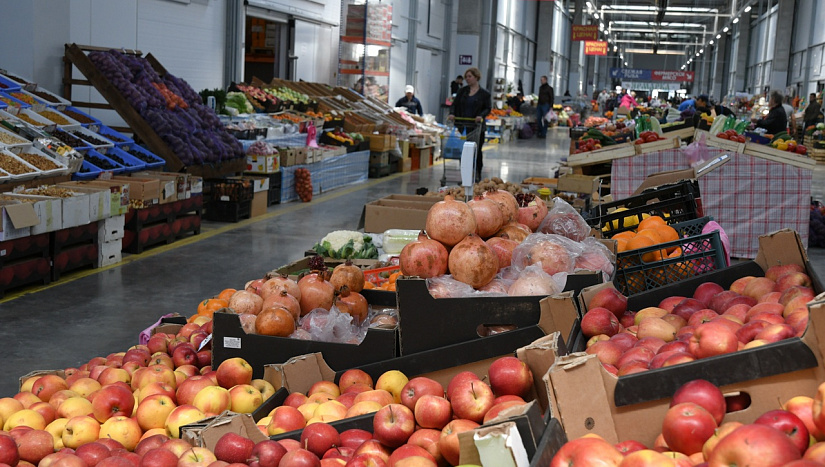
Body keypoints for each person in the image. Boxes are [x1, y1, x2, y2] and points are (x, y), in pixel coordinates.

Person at [448, 67, 491, 182]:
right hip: (463, 126)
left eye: (469, 76)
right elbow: (454, 104)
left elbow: (488, 108)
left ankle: (477, 174)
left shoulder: (484, 94)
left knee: (477, 151)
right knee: (464, 152)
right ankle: (465, 175)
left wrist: (481, 116)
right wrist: (452, 113)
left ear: (476, 77)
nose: (467, 79)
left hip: (477, 127)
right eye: (466, 77)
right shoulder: (462, 91)